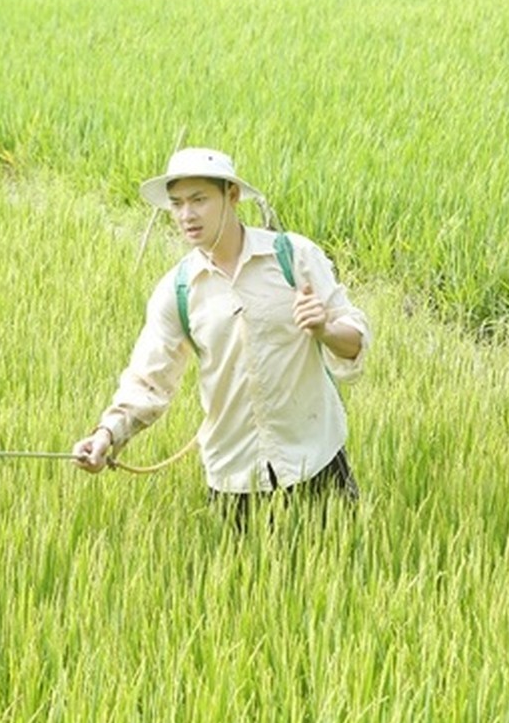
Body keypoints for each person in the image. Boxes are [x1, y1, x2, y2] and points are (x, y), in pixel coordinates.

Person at [72, 148, 370, 523]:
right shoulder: (177, 289)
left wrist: (325, 329)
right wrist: (106, 435)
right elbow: (148, 381)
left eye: (199, 200)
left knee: (341, 571)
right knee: (247, 581)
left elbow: (356, 339)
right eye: (177, 204)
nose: (186, 215)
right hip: (235, 477)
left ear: (231, 196)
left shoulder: (292, 257)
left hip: (315, 459)